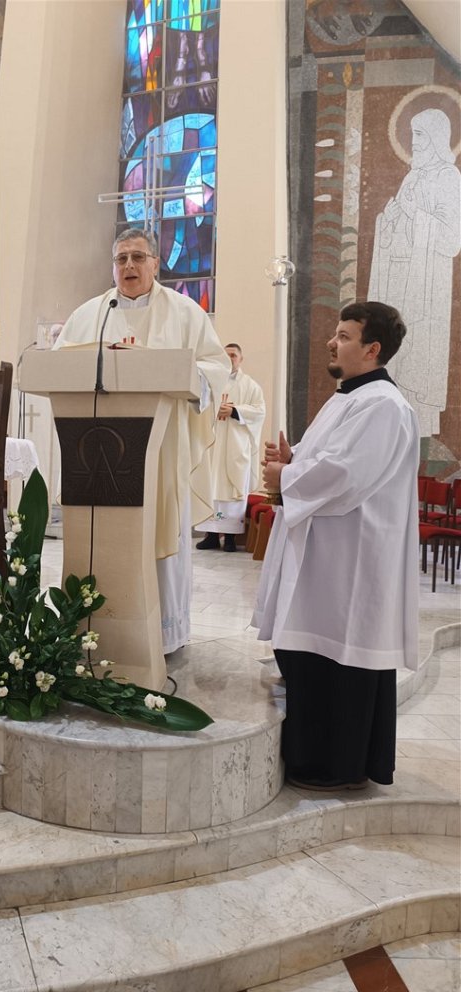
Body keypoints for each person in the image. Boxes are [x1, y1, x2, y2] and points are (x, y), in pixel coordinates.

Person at [251, 301, 419, 791]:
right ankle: (315, 759)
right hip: (328, 556)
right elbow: (327, 459)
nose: (332, 341)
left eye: (344, 336)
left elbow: (346, 475)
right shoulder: (348, 397)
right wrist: (294, 459)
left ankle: (334, 766)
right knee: (315, 659)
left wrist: (286, 476)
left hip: (351, 561)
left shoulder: (383, 405)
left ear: (372, 349)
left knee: (338, 661)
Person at [55, 228, 230, 653]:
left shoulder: (185, 313)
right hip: (98, 450)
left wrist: (177, 373)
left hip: (163, 448)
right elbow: (60, 365)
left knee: (160, 532)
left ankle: (164, 635)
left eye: (137, 257)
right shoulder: (91, 314)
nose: (129, 266)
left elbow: (215, 365)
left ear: (155, 264)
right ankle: (99, 630)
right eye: (121, 259)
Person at [368, 108, 461, 436]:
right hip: (398, 278)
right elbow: (397, 225)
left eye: (420, 135)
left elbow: (451, 239)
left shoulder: (448, 177)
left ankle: (415, 429)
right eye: (412, 135)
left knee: (416, 353)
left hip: (425, 284)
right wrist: (388, 220)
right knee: (394, 352)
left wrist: (413, 214)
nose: (414, 142)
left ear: (436, 138)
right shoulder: (412, 177)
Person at [195, 343, 265, 552]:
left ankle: (231, 539)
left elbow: (259, 411)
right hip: (212, 444)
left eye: (233, 355)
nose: (230, 358)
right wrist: (213, 410)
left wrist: (235, 411)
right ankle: (211, 536)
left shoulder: (251, 386)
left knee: (232, 488)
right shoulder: (210, 382)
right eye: (226, 355)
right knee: (210, 485)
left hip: (235, 447)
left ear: (241, 359)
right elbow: (196, 405)